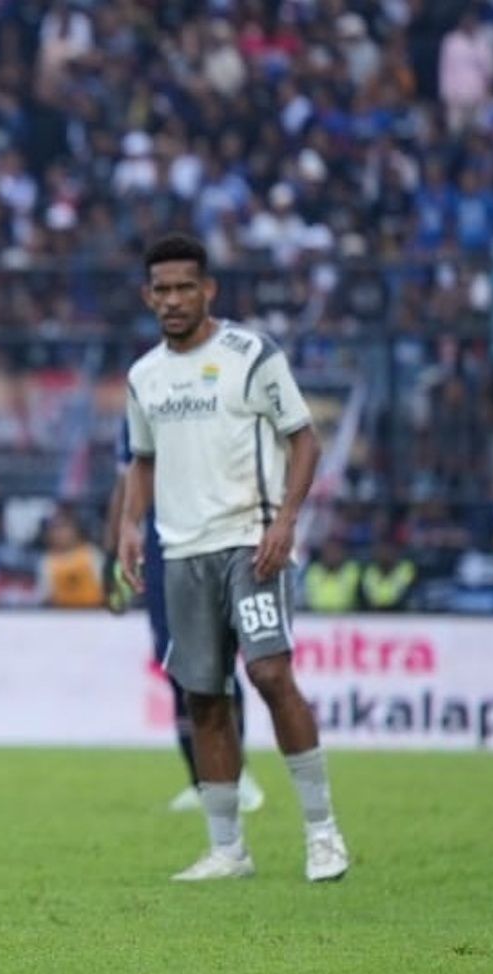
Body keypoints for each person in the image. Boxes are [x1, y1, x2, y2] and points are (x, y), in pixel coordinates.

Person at [119, 232, 348, 883]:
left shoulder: (250, 355)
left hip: (251, 542)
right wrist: (130, 528)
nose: (172, 300)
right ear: (147, 296)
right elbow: (142, 460)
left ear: (208, 289)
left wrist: (287, 519)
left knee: (271, 674)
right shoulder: (144, 376)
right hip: (181, 551)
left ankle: (323, 833)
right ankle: (228, 849)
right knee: (204, 697)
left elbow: (304, 441)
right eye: (160, 290)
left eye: (184, 287)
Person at [105, 419, 264, 815]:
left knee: (216, 659)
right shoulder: (142, 399)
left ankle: (236, 774)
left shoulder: (216, 397)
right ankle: (200, 780)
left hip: (214, 543)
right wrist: (111, 551)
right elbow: (127, 482)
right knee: (174, 662)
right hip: (161, 553)